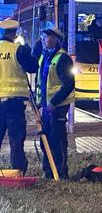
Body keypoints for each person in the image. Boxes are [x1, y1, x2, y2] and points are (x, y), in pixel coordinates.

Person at [0, 19, 38, 173]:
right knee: (16, 140)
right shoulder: (19, 50)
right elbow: (33, 67)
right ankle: (17, 171)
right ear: (14, 33)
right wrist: (29, 50)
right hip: (14, 102)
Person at [36, 27, 75, 179]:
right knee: (45, 140)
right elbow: (41, 81)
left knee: (58, 140)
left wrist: (53, 102)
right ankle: (48, 171)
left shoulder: (62, 58)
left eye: (47, 38)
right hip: (46, 107)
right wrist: (40, 103)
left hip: (57, 107)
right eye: (44, 37)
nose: (44, 40)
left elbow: (69, 84)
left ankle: (60, 172)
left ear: (55, 39)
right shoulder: (45, 56)